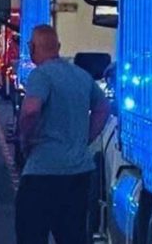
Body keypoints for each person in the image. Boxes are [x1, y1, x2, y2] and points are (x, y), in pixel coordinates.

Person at [16, 25, 111, 244]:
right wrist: (85, 138)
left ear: (32, 48)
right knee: (72, 236)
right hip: (79, 174)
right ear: (57, 47)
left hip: (43, 173)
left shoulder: (40, 75)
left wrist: (25, 140)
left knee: (31, 234)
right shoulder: (81, 76)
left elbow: (31, 111)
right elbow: (103, 108)